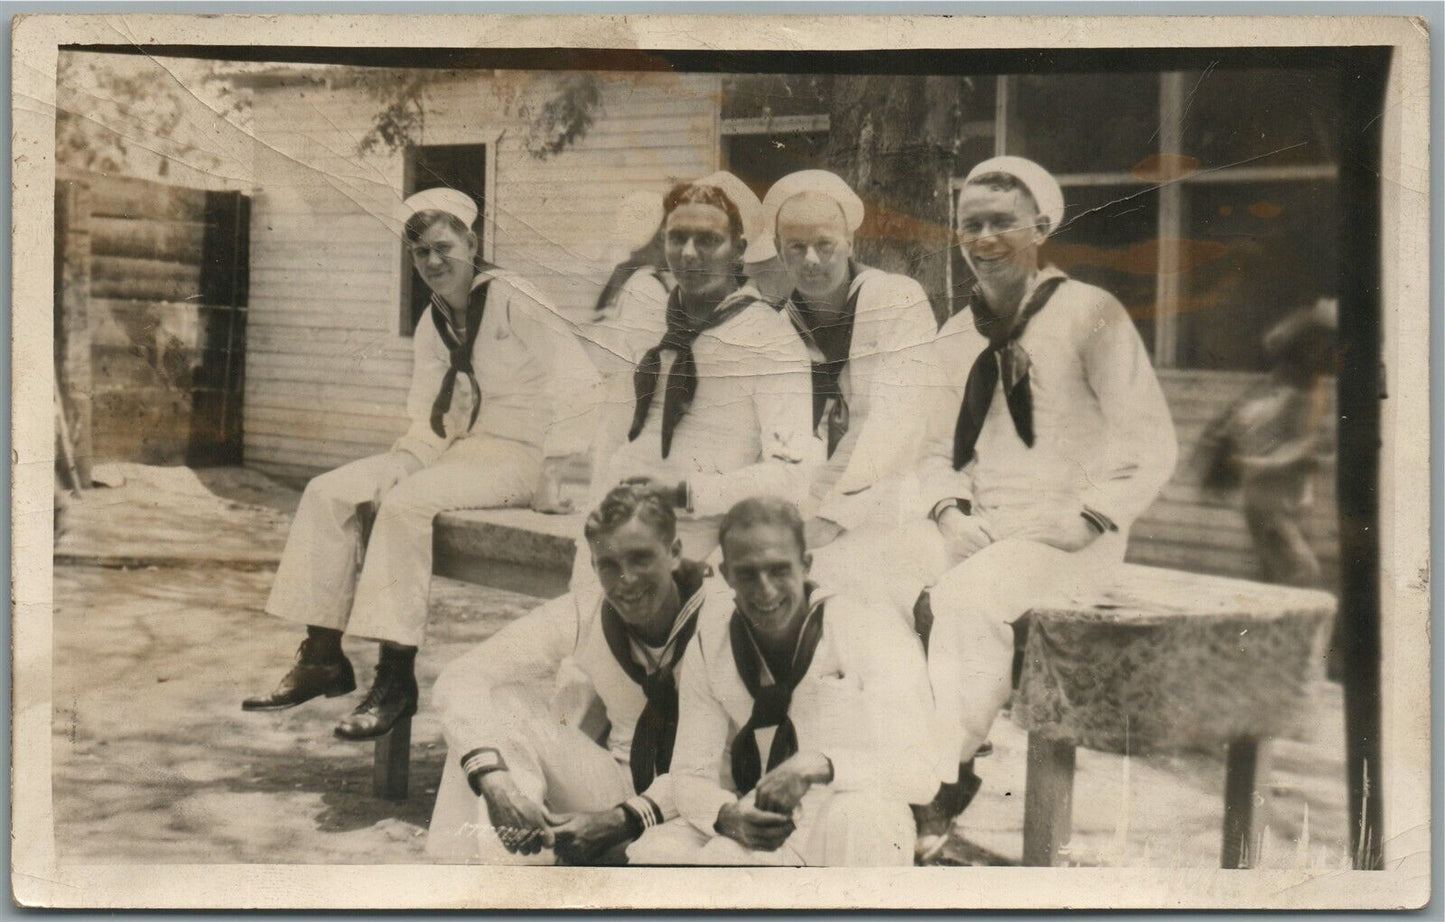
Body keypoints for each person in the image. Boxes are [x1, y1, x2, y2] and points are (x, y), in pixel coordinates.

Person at [810, 157, 1178, 858]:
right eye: (970, 224)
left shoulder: (1089, 313)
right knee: (860, 577)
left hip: (1071, 533)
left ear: (1040, 228)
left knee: (965, 603)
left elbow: (1148, 442)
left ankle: (934, 784)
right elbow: (930, 452)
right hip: (980, 523)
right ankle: (868, 753)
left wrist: (1086, 517)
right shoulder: (958, 332)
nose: (983, 238)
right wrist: (948, 511)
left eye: (1000, 223)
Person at [243, 188, 599, 741]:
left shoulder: (513, 298)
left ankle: (395, 678)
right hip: (460, 455)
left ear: (472, 243)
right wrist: (405, 459)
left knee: (405, 505)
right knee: (327, 491)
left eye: (442, 247)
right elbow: (430, 417)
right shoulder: (434, 325)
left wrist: (557, 467)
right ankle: (322, 655)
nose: (433, 263)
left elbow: (577, 381)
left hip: (522, 458)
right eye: (420, 254)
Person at [629, 497, 938, 866]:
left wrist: (821, 765)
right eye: (747, 573)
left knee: (857, 816)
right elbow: (689, 775)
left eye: (779, 570)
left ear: (806, 564)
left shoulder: (866, 627)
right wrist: (727, 816)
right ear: (726, 574)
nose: (766, 590)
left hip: (854, 819)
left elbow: (922, 771)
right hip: (768, 825)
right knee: (658, 857)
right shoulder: (711, 640)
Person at [426, 484, 712, 864]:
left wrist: (622, 820)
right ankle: (512, 887)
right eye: (609, 565)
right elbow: (460, 677)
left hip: (704, 807)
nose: (625, 580)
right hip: (618, 785)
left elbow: (728, 766)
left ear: (674, 553)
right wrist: (495, 783)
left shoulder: (723, 617)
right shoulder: (585, 611)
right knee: (498, 706)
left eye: (640, 559)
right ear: (593, 567)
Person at [579, 172, 822, 576]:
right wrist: (593, 516)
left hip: (697, 538)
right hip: (613, 525)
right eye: (678, 238)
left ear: (738, 250)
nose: (689, 254)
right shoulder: (647, 317)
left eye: (708, 240)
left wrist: (684, 495)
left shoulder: (769, 339)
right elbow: (612, 430)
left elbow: (792, 476)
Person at [759, 170, 938, 546]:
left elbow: (895, 424)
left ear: (849, 242)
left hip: (887, 494)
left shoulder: (896, 300)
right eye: (796, 246)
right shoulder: (777, 327)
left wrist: (830, 517)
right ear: (778, 249)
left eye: (825, 244)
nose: (811, 260)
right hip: (805, 507)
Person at [1195, 297, 1335, 586]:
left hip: (1290, 498)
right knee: (1301, 576)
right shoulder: (1284, 396)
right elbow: (1296, 448)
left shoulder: (1299, 393)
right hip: (1272, 501)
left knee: (1284, 576)